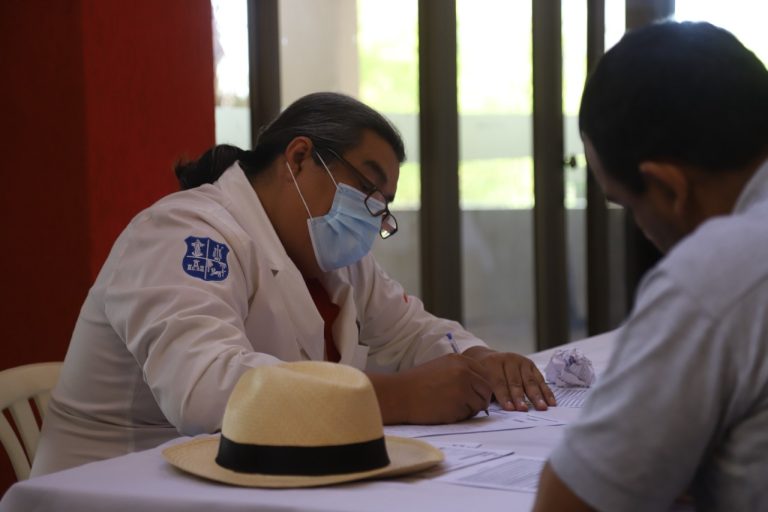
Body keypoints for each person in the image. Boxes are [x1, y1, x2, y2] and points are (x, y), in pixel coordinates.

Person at [32, 92, 555, 476]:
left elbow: (413, 332)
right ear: (299, 158)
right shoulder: (183, 232)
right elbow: (206, 394)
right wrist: (401, 397)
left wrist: (480, 359)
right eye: (367, 188)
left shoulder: (334, 257)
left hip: (248, 478)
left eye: (383, 205)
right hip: (118, 484)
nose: (373, 215)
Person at [534, 21, 768, 511]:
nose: (642, 231)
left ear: (669, 188)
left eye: (627, 205)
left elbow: (568, 504)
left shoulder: (719, 269)